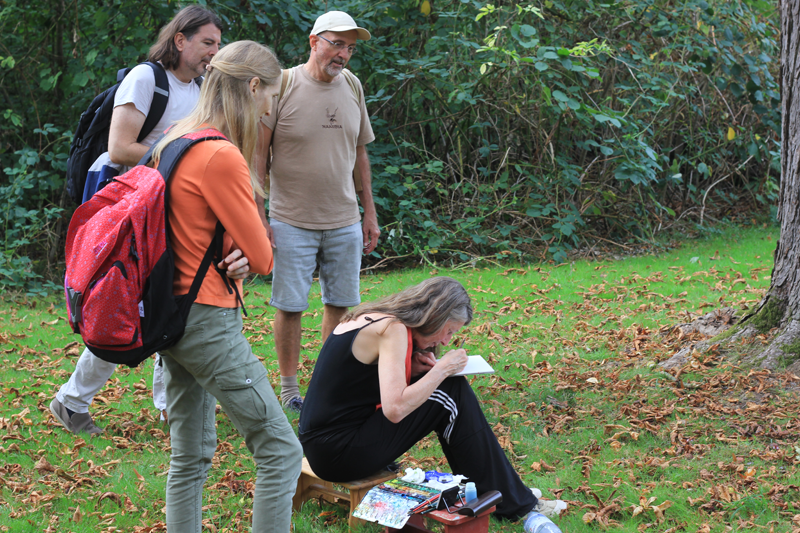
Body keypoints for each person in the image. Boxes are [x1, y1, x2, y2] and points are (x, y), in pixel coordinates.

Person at [152, 40, 303, 533]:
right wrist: (248, 250)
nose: (267, 110)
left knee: (190, 456)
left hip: (169, 317)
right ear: (253, 86)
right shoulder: (220, 155)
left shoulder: (175, 137)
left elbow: (187, 230)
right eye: (268, 97)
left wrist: (231, 249)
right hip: (207, 323)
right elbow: (262, 257)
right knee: (281, 451)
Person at [50, 5, 223, 434]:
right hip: (124, 205)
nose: (213, 54)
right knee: (127, 302)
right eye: (207, 43)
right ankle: (72, 401)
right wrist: (179, 151)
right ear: (180, 40)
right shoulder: (147, 79)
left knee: (167, 297)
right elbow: (120, 145)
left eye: (217, 45)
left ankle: (168, 406)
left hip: (168, 207)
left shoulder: (202, 87)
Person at [298, 277, 567, 529]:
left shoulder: (377, 318)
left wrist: (414, 369)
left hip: (323, 445)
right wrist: (442, 370)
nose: (446, 340)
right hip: (340, 454)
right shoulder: (393, 329)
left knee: (448, 387)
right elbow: (395, 410)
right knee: (451, 389)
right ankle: (514, 503)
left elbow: (356, 384)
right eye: (449, 331)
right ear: (435, 316)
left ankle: (503, 491)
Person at [258, 10, 380, 412]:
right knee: (290, 305)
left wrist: (369, 213)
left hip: (344, 218)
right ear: (314, 42)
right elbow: (258, 155)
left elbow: (360, 152)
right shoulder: (283, 84)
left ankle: (326, 386)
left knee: (340, 305)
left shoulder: (353, 86)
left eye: (350, 47)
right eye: (336, 43)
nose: (343, 54)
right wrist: (259, 214)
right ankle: (291, 390)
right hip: (291, 219)